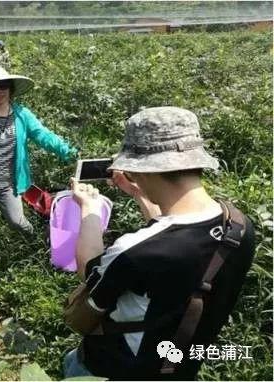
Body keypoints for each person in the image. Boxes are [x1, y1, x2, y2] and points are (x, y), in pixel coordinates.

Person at [64, 107, 256, 380]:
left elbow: (88, 270)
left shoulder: (134, 251)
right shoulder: (239, 225)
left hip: (114, 368)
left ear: (141, 170)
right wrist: (140, 193)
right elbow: (172, 230)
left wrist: (90, 209)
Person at [0, 64, 77, 279]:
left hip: (8, 183)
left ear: (11, 89)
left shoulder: (22, 115)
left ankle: (37, 246)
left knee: (17, 221)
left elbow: (43, 135)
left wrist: (69, 152)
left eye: (3, 86)